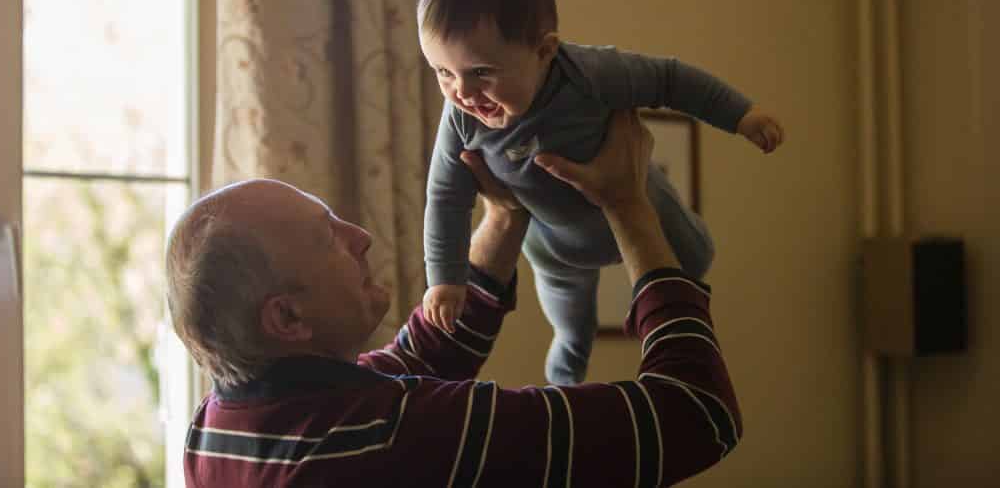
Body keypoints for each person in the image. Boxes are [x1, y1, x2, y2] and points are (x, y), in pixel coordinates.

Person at [167, 109, 742, 487]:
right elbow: (696, 413)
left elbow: (416, 360)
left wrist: (504, 215)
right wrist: (629, 207)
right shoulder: (395, 437)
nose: (360, 238)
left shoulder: (217, 428)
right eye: (329, 240)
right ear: (288, 317)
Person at [420, 0, 784, 384]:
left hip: (638, 200)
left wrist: (742, 115)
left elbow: (670, 80)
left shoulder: (590, 75)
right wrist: (445, 279)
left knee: (694, 258)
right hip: (555, 246)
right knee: (571, 324)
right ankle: (566, 375)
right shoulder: (460, 118)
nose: (462, 92)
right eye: (442, 72)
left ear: (544, 51)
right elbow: (444, 197)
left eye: (481, 73)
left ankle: (661, 316)